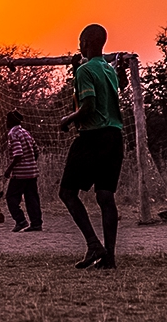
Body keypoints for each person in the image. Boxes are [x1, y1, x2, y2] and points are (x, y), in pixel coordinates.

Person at [59, 24, 128, 270]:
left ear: (87, 42)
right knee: (105, 196)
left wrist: (68, 119)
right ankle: (109, 256)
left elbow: (88, 107)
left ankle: (92, 244)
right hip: (115, 136)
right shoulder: (108, 70)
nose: (79, 45)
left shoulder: (85, 70)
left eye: (80, 40)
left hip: (93, 136)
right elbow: (117, 91)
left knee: (67, 192)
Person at [2, 111, 42, 232]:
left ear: (11, 121)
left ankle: (21, 220)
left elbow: (18, 154)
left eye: (7, 120)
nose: (6, 122)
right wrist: (31, 163)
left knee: (11, 197)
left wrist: (9, 169)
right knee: (32, 198)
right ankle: (36, 224)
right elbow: (36, 150)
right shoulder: (26, 132)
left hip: (20, 174)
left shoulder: (13, 134)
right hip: (32, 172)